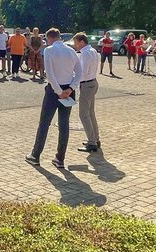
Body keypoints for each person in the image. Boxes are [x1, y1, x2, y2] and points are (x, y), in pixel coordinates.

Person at [26, 28, 81, 170]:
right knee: (64, 125)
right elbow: (79, 72)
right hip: (69, 90)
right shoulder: (71, 51)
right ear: (59, 37)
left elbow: (49, 74)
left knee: (44, 123)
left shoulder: (49, 50)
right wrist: (70, 89)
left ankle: (35, 155)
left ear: (49, 38)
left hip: (54, 90)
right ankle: (60, 158)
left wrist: (58, 91)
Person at [73, 33, 101, 153]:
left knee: (84, 114)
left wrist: (72, 80)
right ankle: (95, 138)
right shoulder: (93, 51)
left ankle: (92, 142)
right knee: (90, 113)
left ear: (82, 42)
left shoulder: (85, 53)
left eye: (76, 43)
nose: (75, 45)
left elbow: (82, 72)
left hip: (86, 84)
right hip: (92, 82)